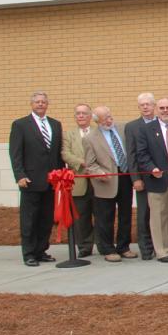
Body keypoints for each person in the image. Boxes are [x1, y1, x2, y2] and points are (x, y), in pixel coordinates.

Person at [9, 91, 64, 266]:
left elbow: (57, 153)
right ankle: (29, 254)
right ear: (31, 104)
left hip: (51, 181)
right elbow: (15, 153)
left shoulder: (55, 124)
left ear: (47, 104)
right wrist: (20, 175)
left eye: (43, 102)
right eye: (37, 102)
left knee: (46, 219)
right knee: (30, 219)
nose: (40, 104)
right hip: (30, 181)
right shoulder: (20, 125)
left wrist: (62, 175)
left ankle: (41, 250)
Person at [134, 97, 168, 263]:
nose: (165, 110)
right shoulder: (147, 129)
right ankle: (162, 251)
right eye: (162, 108)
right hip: (157, 176)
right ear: (157, 109)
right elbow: (141, 154)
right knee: (158, 215)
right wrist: (151, 168)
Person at [82, 106, 134, 262]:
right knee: (105, 216)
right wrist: (99, 173)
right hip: (105, 180)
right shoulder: (90, 138)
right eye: (105, 119)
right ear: (97, 121)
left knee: (126, 214)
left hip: (124, 175)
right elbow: (90, 164)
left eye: (110, 116)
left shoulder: (123, 128)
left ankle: (124, 247)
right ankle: (107, 248)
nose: (110, 120)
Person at [124, 93, 158, 260]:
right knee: (144, 213)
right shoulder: (132, 127)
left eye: (148, 104)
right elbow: (131, 154)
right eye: (142, 105)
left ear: (154, 106)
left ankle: (160, 246)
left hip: (161, 178)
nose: (145, 107)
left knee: (159, 214)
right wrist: (135, 178)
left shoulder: (162, 124)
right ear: (139, 107)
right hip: (143, 178)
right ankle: (146, 249)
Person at [60, 103, 96, 258]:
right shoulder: (68, 135)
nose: (81, 116)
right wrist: (82, 163)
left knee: (101, 215)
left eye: (84, 113)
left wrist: (95, 166)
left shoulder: (98, 132)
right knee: (81, 217)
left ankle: (103, 245)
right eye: (78, 114)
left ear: (90, 116)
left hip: (98, 181)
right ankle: (84, 246)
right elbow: (65, 153)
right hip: (79, 180)